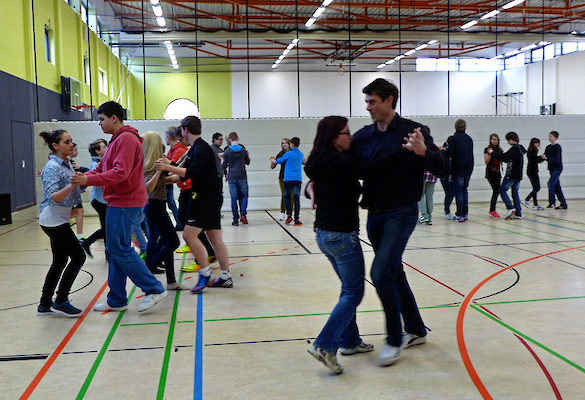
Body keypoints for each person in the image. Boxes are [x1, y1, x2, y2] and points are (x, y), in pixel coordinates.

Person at [350, 78, 447, 366]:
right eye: (366, 101)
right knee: (394, 271)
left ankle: (394, 339)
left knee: (380, 273)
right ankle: (416, 328)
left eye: (372, 101)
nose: (368, 107)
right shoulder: (364, 136)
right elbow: (347, 165)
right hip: (374, 213)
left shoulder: (413, 131)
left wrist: (424, 153)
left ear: (389, 100)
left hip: (402, 212)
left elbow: (443, 167)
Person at [305, 116, 400, 373]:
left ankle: (349, 340)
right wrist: (402, 150)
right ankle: (324, 344)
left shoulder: (318, 160)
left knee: (348, 289)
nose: (351, 137)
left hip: (324, 235)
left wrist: (310, 188)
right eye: (346, 133)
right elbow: (372, 168)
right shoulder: (340, 162)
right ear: (333, 137)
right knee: (353, 292)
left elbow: (314, 185)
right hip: (341, 236)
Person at [71, 101, 167, 313]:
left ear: (114, 118)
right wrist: (85, 176)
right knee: (115, 250)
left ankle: (154, 288)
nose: (99, 123)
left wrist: (88, 181)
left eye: (101, 119)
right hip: (120, 200)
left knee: (119, 248)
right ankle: (117, 299)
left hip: (126, 201)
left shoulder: (125, 139)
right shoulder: (116, 140)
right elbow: (103, 168)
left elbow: (120, 173)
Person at [156, 116, 232, 293]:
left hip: (205, 197)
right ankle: (226, 276)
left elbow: (191, 173)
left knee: (189, 235)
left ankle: (205, 273)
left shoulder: (201, 148)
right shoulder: (196, 148)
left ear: (185, 130)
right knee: (214, 237)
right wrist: (161, 180)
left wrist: (167, 168)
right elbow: (182, 175)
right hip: (211, 197)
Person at [37, 129, 86, 317]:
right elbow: (54, 197)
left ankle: (44, 304)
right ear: (56, 146)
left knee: (60, 261)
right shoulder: (52, 167)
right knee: (78, 257)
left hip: (60, 218)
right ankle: (61, 300)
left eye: (72, 141)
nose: (71, 144)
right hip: (53, 220)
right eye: (67, 142)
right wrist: (73, 185)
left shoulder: (67, 164)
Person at [142, 131, 187, 289]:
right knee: (173, 241)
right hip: (154, 206)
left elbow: (173, 172)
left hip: (157, 206)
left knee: (166, 241)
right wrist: (160, 171)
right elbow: (148, 187)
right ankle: (147, 271)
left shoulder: (157, 161)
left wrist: (185, 159)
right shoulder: (149, 162)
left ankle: (171, 281)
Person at [487, 131, 526, 220]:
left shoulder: (514, 148)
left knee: (502, 190)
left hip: (511, 175)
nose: (508, 142)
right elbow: (507, 158)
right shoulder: (520, 148)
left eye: (508, 140)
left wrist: (492, 153)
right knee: (515, 193)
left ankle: (510, 207)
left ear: (512, 140)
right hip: (518, 175)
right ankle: (518, 213)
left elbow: (505, 157)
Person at [81, 139, 108, 258]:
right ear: (97, 151)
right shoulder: (95, 164)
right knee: (108, 228)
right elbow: (96, 180)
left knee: (107, 229)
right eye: (103, 147)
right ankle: (87, 242)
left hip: (103, 200)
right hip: (99, 201)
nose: (106, 148)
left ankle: (109, 255)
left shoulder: (102, 161)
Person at [442, 119, 474, 222]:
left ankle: (460, 214)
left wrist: (442, 151)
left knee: (459, 192)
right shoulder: (469, 139)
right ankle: (465, 213)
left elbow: (449, 153)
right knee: (465, 191)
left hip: (458, 168)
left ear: (455, 127)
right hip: (468, 169)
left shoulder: (454, 139)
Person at [271, 137, 304, 225]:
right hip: (298, 179)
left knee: (286, 197)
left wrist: (272, 160)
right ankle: (296, 219)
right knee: (296, 199)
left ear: (291, 144)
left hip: (288, 179)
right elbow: (304, 161)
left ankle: (289, 215)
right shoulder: (301, 154)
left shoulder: (288, 154)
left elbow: (279, 161)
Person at [222, 132, 250, 226]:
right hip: (242, 176)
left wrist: (222, 159)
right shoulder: (243, 150)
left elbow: (223, 166)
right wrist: (247, 155)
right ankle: (243, 214)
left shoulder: (227, 152)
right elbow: (248, 162)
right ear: (237, 138)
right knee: (244, 196)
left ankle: (235, 219)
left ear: (229, 140)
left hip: (232, 177)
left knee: (233, 198)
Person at [165, 126, 187, 230]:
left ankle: (180, 223)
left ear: (168, 137)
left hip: (186, 185)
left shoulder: (179, 151)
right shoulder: (173, 150)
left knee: (171, 204)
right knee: (171, 203)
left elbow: (174, 168)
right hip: (178, 183)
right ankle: (179, 223)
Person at [271, 138, 294, 221]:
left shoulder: (293, 153)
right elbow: (273, 166)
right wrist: (273, 161)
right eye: (282, 143)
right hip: (283, 177)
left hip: (292, 177)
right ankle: (282, 212)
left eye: (286, 143)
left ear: (289, 144)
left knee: (291, 195)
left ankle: (290, 213)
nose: (284, 145)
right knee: (285, 195)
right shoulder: (280, 154)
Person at [69, 142, 88, 239]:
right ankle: (79, 236)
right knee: (78, 211)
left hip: (74, 193)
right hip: (70, 194)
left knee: (78, 211)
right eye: (75, 150)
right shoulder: (68, 163)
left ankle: (79, 236)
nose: (76, 152)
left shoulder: (71, 163)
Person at [544, 130, 567, 209]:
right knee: (557, 186)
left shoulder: (557, 147)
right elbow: (546, 156)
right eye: (549, 136)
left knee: (550, 183)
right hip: (551, 168)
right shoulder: (548, 147)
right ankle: (563, 204)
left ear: (555, 138)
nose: (549, 138)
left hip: (557, 168)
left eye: (551, 136)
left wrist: (547, 158)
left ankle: (552, 202)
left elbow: (556, 160)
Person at [522, 138, 545, 211]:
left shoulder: (533, 151)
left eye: (538, 143)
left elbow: (536, 160)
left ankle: (535, 205)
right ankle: (526, 200)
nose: (538, 144)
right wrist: (541, 157)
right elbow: (534, 160)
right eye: (536, 143)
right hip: (532, 171)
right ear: (533, 143)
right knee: (537, 188)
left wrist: (542, 158)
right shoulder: (531, 151)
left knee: (535, 188)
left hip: (532, 171)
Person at [484, 134, 503, 219]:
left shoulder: (499, 149)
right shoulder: (487, 149)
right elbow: (486, 162)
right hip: (491, 172)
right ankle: (492, 210)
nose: (496, 141)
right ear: (490, 140)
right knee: (496, 190)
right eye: (494, 139)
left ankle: (492, 210)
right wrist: (491, 153)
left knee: (497, 190)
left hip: (498, 172)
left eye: (497, 139)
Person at [439, 136, 455, 220]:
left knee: (451, 194)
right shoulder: (444, 151)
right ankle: (447, 211)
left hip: (451, 176)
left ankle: (446, 209)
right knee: (449, 193)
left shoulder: (453, 151)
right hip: (444, 176)